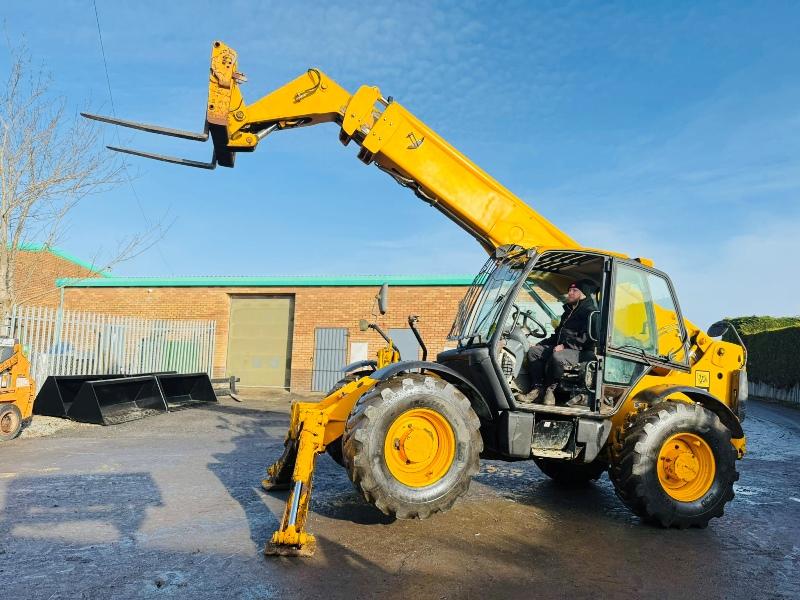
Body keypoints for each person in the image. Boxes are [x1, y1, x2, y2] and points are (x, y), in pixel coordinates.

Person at [520, 278, 598, 406]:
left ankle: (550, 391)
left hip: (582, 352)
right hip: (564, 348)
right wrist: (539, 344)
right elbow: (557, 335)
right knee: (534, 352)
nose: (570, 293)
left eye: (574, 290)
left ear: (583, 294)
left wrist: (565, 345)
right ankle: (537, 389)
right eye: (569, 290)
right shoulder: (568, 312)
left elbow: (588, 338)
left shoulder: (590, 312)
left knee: (557, 356)